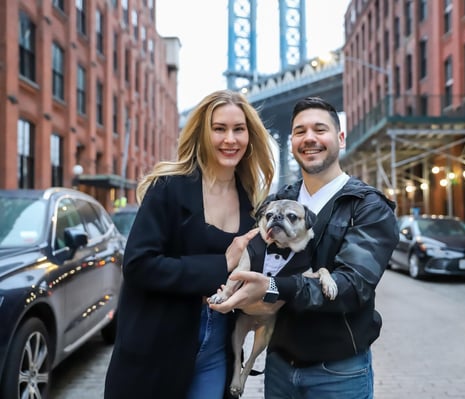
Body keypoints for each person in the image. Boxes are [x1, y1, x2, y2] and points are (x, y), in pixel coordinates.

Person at [210, 96, 400, 398]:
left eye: (319, 129)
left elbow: (352, 287)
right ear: (292, 142)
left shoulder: (368, 207)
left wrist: (272, 287)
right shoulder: (277, 203)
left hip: (339, 372)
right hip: (279, 366)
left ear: (340, 138)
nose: (309, 138)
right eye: (299, 131)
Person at [104, 89, 276, 399]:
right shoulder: (168, 188)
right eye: (219, 128)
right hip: (157, 345)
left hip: (217, 348)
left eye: (239, 129)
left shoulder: (252, 202)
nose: (230, 139)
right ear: (202, 132)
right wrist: (221, 264)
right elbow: (138, 265)